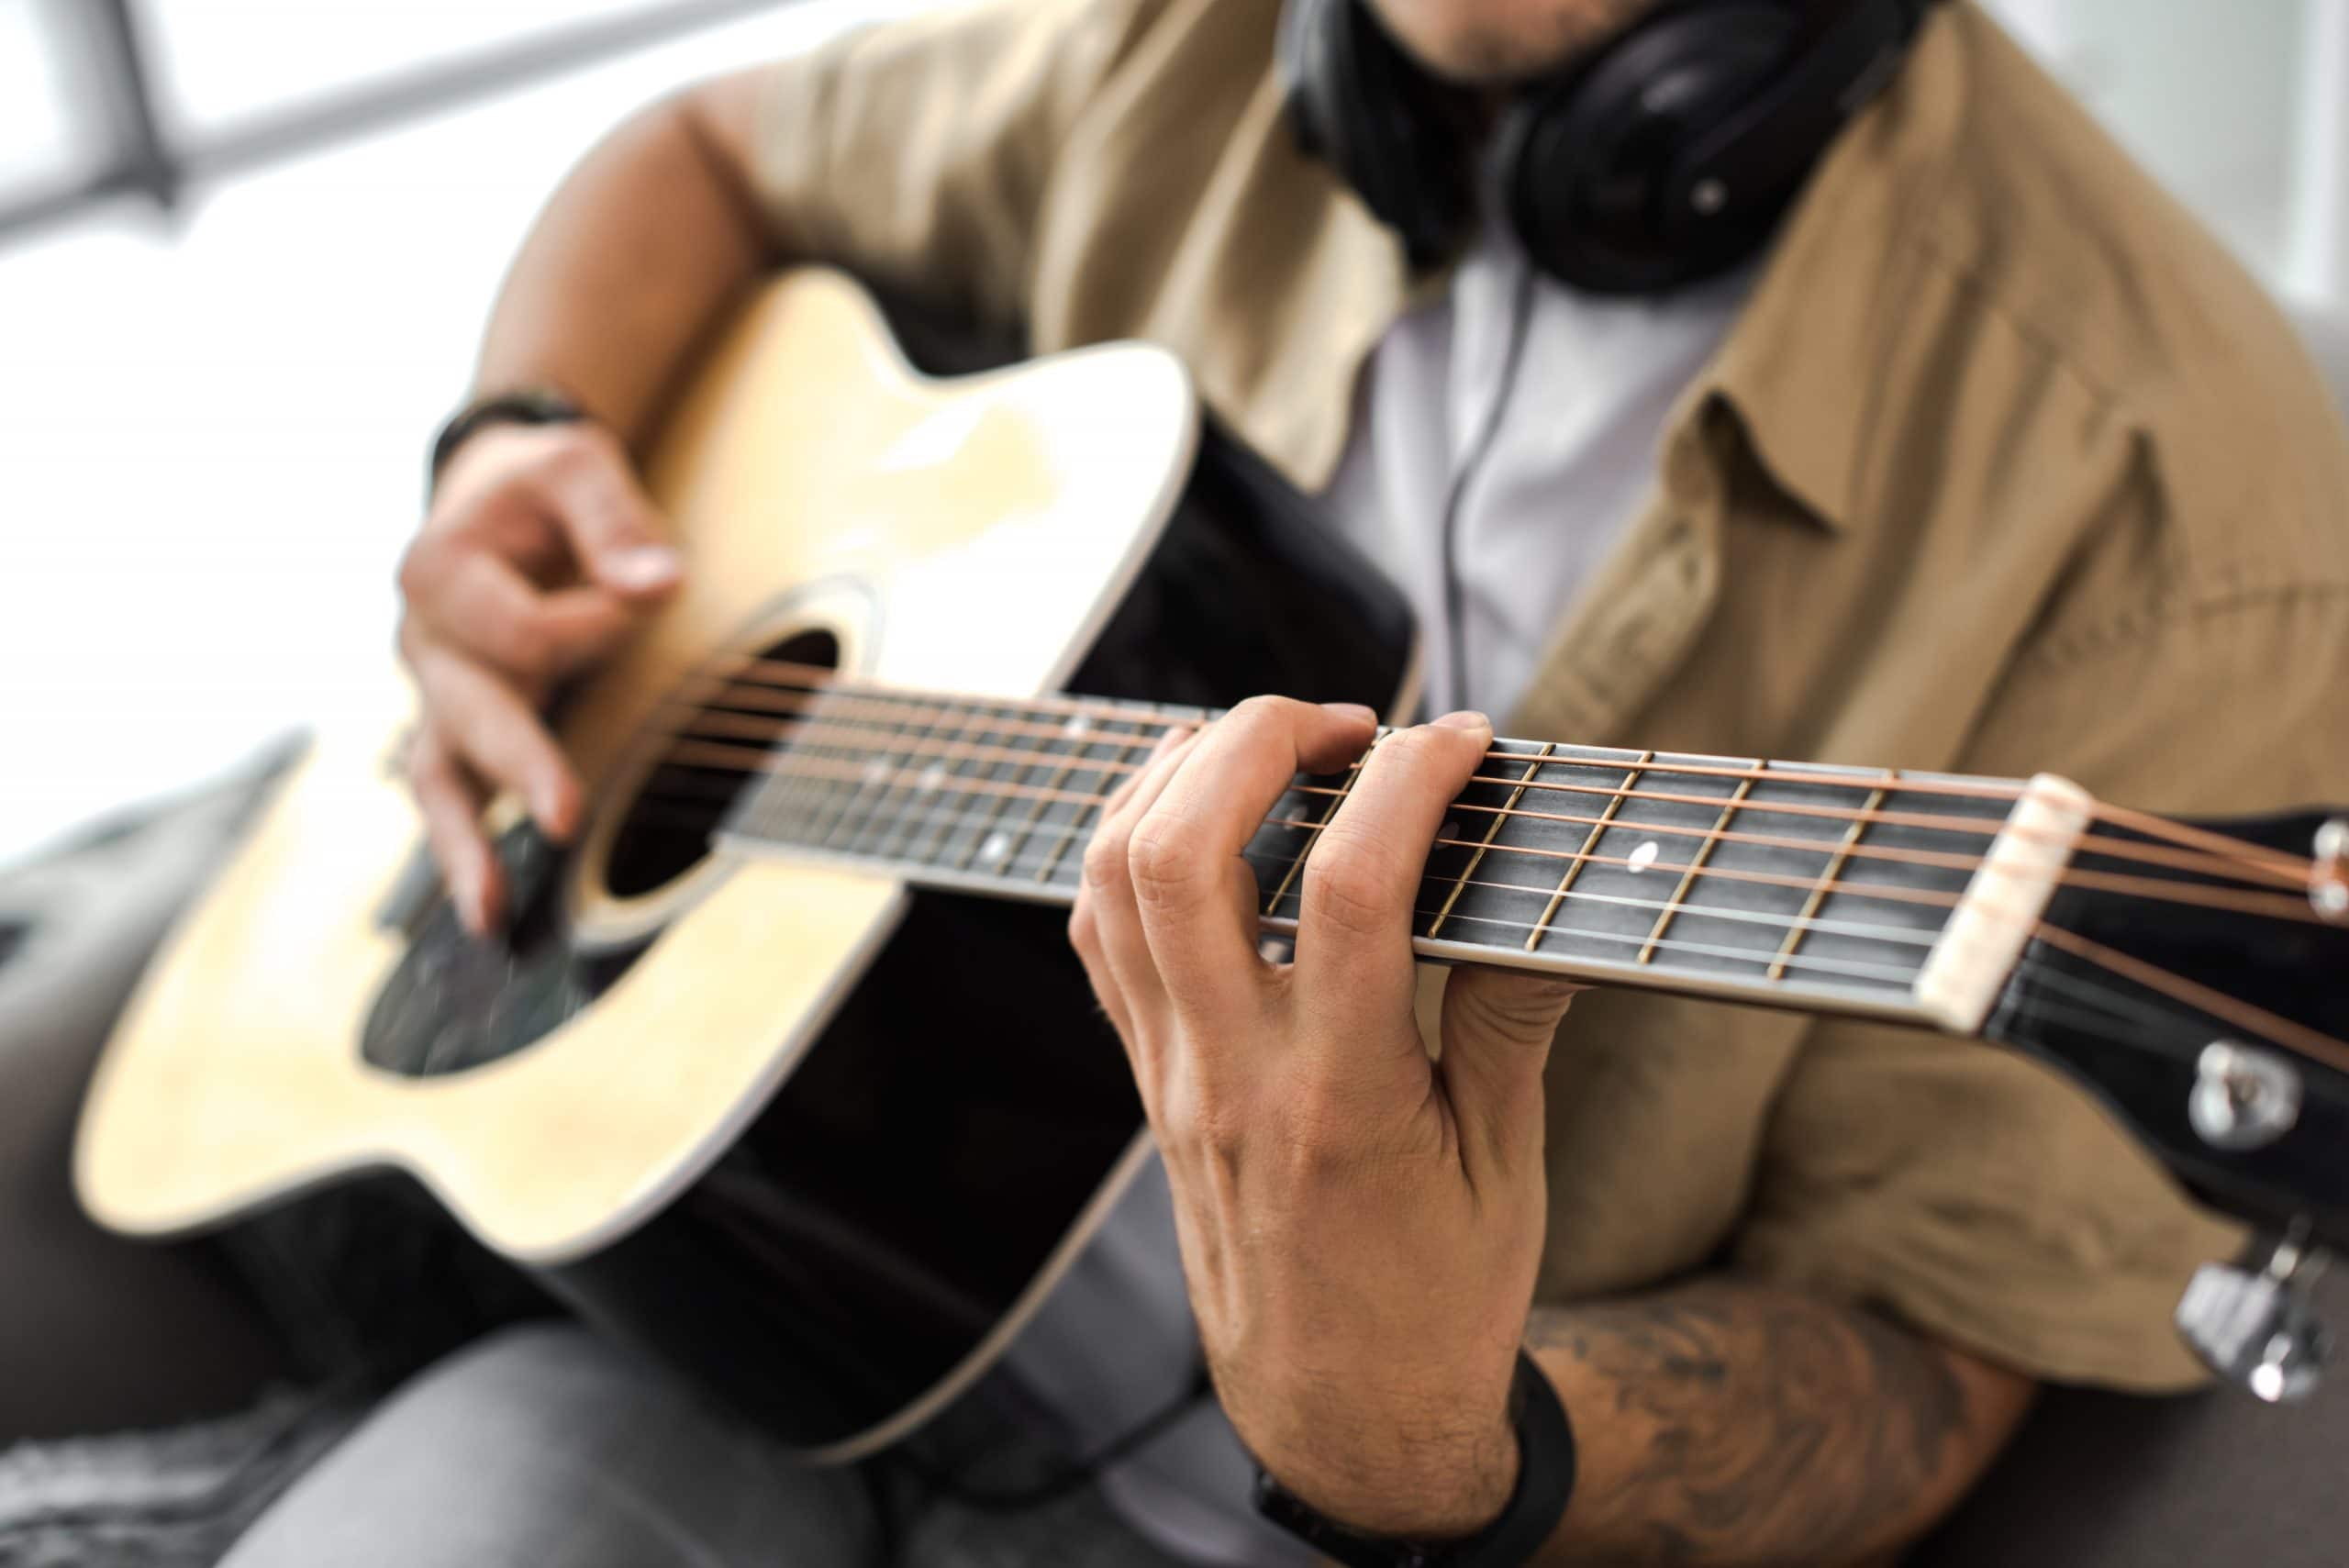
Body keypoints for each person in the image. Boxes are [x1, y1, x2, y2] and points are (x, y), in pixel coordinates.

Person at [220, 0, 2349, 1563]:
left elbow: (1919, 1354)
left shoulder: (2192, 533)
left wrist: (1431, 1437)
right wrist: (513, 441)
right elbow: (697, 149)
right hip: (711, 1333)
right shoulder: (1202, 50)